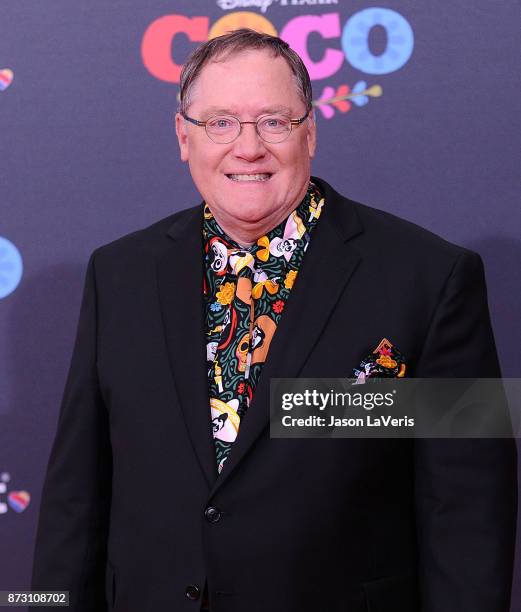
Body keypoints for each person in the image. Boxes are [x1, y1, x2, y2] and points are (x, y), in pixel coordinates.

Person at [31, 29, 517, 612]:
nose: (248, 147)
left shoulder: (431, 278)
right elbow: (74, 500)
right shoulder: (118, 274)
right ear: (183, 136)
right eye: (219, 122)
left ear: (309, 131)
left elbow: (469, 510)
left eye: (274, 122)